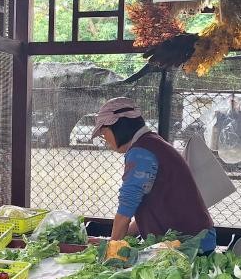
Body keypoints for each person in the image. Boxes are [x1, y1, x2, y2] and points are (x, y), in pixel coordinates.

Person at [91, 97, 216, 257]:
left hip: (191, 245)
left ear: (118, 126)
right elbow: (142, 207)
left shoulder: (141, 153)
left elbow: (126, 210)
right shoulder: (152, 143)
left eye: (104, 133)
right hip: (194, 240)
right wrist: (118, 240)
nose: (105, 140)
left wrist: (109, 253)